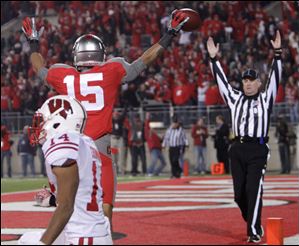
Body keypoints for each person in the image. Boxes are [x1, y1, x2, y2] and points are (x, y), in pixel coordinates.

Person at [22, 10, 190, 228]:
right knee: (106, 202)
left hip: (72, 144)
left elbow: (38, 66)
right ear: (101, 55)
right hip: (99, 146)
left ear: (77, 55)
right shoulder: (112, 70)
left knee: (68, 199)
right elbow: (145, 60)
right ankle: (101, 234)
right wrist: (170, 34)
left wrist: (33, 41)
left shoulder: (63, 75)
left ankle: (57, 202)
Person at [207, 30, 282, 243]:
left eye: (252, 80)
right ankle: (251, 219)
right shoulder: (235, 98)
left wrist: (277, 53)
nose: (248, 83)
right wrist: (214, 59)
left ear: (259, 83)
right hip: (237, 149)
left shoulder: (266, 98)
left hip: (258, 149)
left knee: (253, 188)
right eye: (245, 80)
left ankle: (254, 230)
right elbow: (221, 81)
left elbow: (276, 77)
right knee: (239, 194)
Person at [19, 95, 112, 245]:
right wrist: (53, 198)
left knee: (31, 242)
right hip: (94, 233)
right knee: (27, 239)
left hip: (82, 237)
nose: (39, 126)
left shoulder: (62, 141)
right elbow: (81, 193)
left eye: (42, 120)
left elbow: (67, 205)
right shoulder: (86, 142)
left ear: (57, 121)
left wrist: (43, 244)